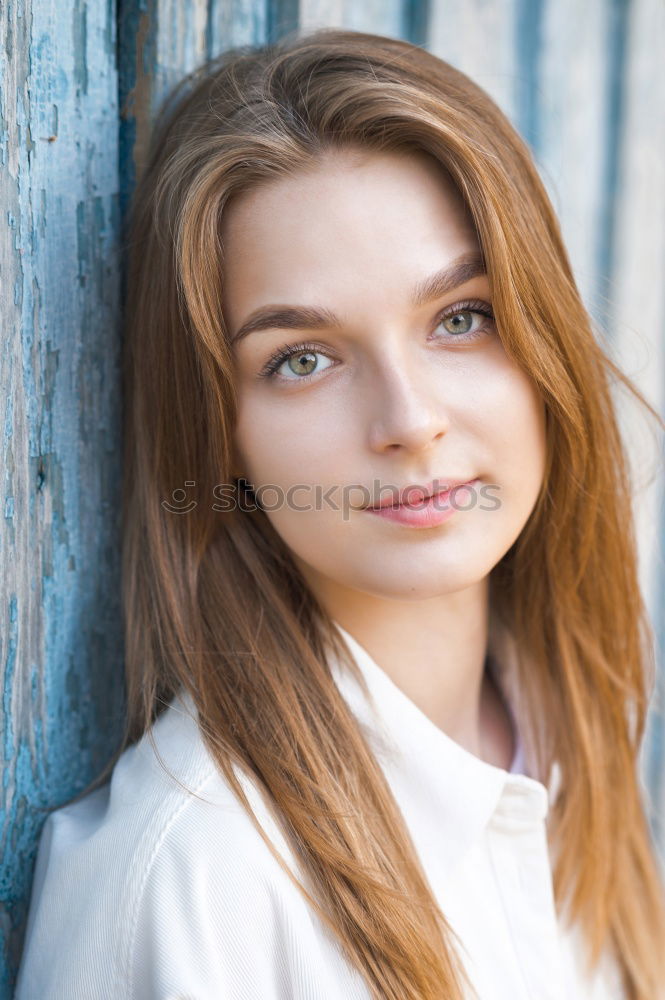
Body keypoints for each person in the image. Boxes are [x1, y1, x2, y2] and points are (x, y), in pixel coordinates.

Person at [15, 26, 665, 1000]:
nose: (408, 421)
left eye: (460, 317)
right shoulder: (195, 870)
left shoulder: (584, 739)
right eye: (300, 359)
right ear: (218, 436)